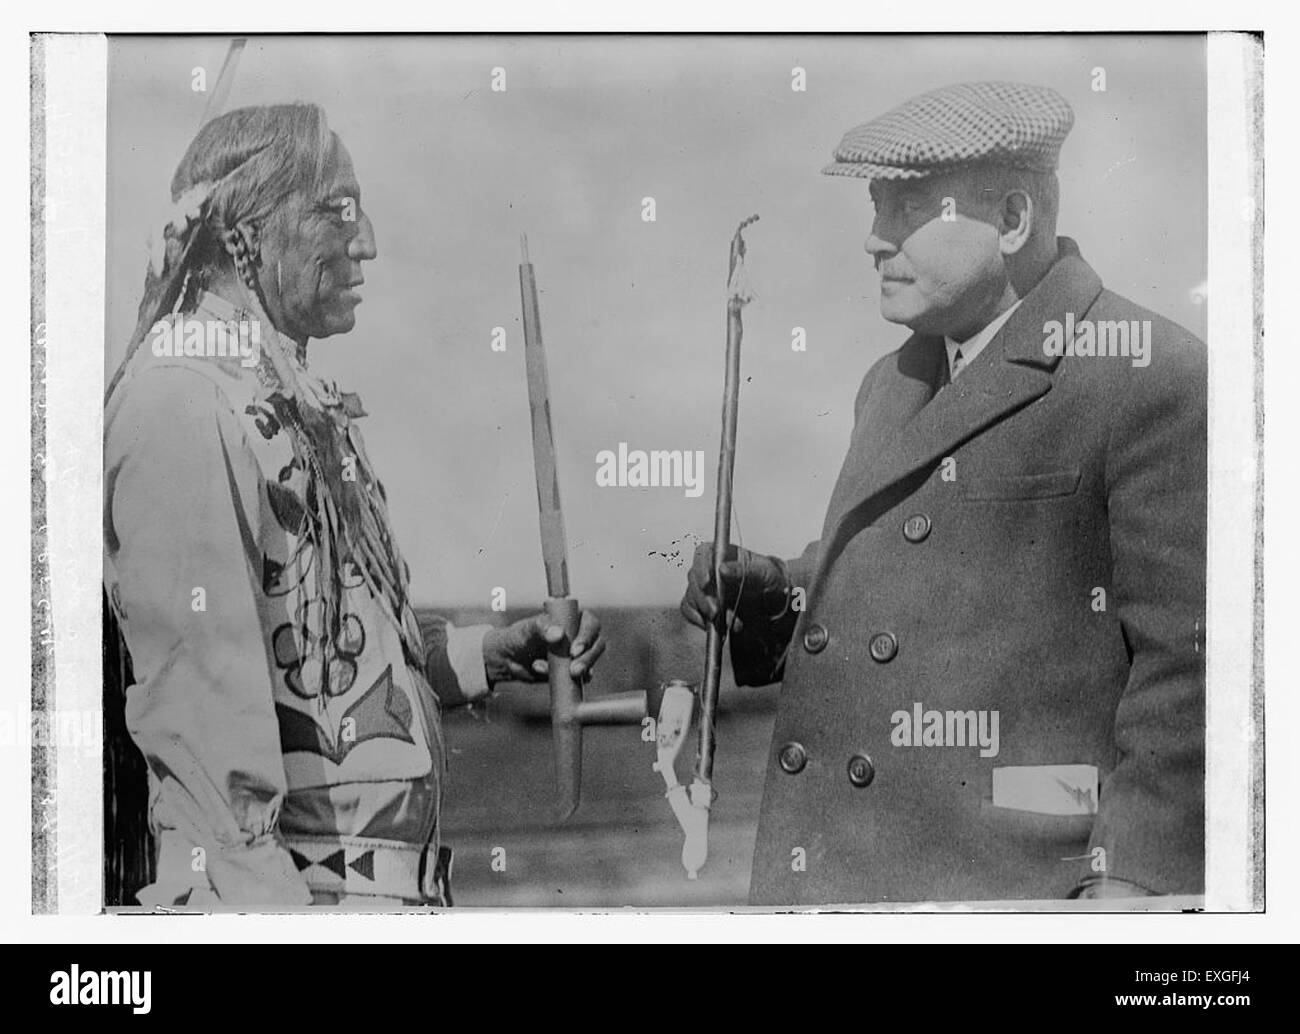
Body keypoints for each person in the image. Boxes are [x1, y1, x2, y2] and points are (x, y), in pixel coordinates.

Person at [681, 81, 1207, 905]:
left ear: (1010, 219)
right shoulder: (894, 381)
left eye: (907, 209)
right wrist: (778, 594)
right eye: (875, 207)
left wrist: (1133, 884)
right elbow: (906, 578)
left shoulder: (1150, 374)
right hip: (844, 877)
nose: (873, 241)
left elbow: (1194, 671)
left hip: (1017, 882)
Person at [104, 103, 605, 909]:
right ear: (250, 230)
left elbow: (330, 667)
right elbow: (203, 748)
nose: (365, 239)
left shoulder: (281, 397)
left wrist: (483, 655)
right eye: (336, 209)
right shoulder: (184, 404)